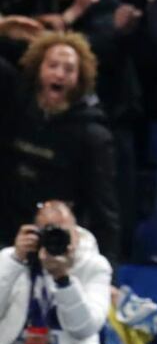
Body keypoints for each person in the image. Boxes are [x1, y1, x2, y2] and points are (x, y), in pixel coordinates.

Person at [0, 32, 120, 263]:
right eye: (53, 65)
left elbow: (105, 210)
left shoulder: (92, 134)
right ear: (38, 69)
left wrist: (110, 276)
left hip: (57, 245)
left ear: (79, 78)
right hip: (7, 235)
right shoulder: (13, 109)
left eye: (69, 69)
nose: (59, 74)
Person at [0, 201, 126, 344]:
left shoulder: (94, 265)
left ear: (76, 233)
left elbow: (85, 329)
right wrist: (15, 262)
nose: (54, 239)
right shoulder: (11, 259)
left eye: (62, 232)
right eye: (47, 232)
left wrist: (63, 279)